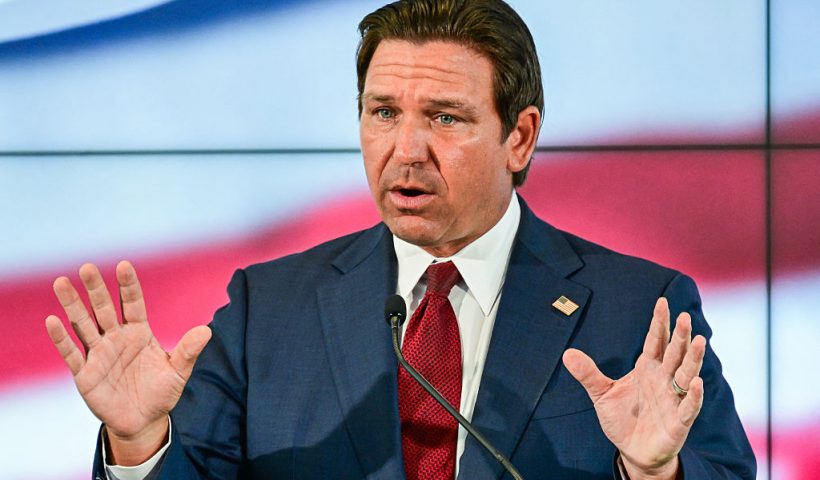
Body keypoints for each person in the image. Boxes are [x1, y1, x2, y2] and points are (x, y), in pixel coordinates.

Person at [45, 0, 756, 478]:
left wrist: (652, 472)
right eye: (383, 112)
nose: (405, 149)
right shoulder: (269, 308)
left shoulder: (639, 309)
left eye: (444, 118)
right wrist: (138, 443)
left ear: (520, 135)